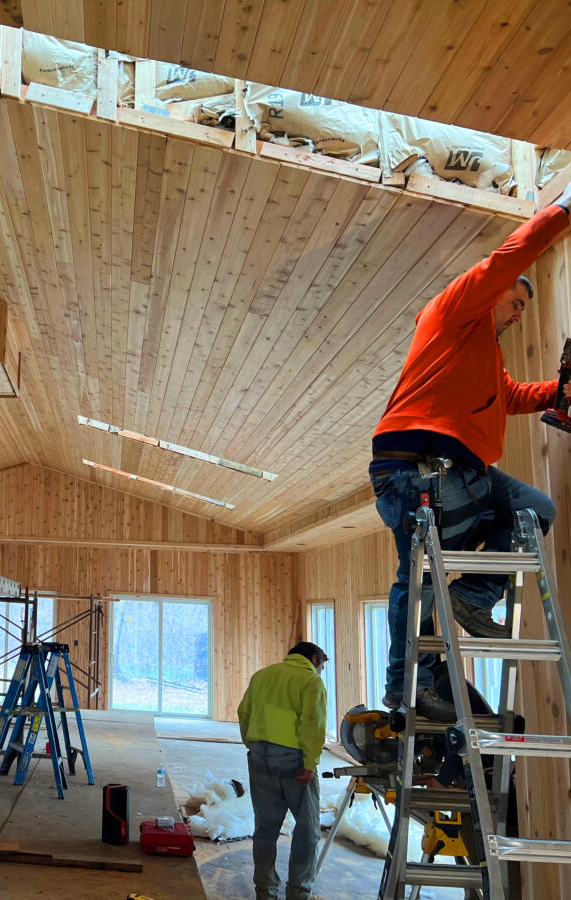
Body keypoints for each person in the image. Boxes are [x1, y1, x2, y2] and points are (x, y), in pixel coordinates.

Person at [370, 184, 571, 723]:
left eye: (527, 309)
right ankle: (408, 680)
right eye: (517, 302)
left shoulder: (483, 358)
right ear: (496, 291)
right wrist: (562, 211)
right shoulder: (455, 311)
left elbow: (511, 397)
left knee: (536, 511)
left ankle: (475, 597)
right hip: (416, 465)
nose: (520, 315)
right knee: (420, 575)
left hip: (464, 469)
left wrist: (560, 391)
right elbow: (511, 255)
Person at [237, 641, 328, 900]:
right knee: (307, 830)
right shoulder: (310, 682)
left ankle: (265, 892)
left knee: (265, 829)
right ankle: (299, 892)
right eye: (320, 666)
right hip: (293, 761)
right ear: (313, 659)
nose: (319, 671)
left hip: (258, 758)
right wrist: (310, 763)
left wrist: (254, 745)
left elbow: (244, 712)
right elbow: (314, 724)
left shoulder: (262, 675)